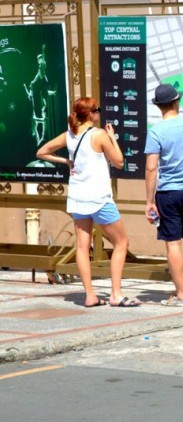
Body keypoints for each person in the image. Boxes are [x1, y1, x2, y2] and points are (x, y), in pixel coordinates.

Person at [36, 97, 138, 307]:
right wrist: (113, 138)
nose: (99, 112)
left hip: (78, 197)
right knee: (121, 243)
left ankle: (90, 295)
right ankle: (116, 294)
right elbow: (119, 162)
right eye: (97, 109)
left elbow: (42, 152)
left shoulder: (70, 135)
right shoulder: (99, 134)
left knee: (82, 247)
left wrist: (66, 161)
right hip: (99, 198)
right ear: (90, 114)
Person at [144, 83, 183, 306]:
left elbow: (151, 168)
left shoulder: (156, 132)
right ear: (176, 101)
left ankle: (181, 295)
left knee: (173, 244)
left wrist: (149, 201)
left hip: (169, 192)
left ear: (159, 106)